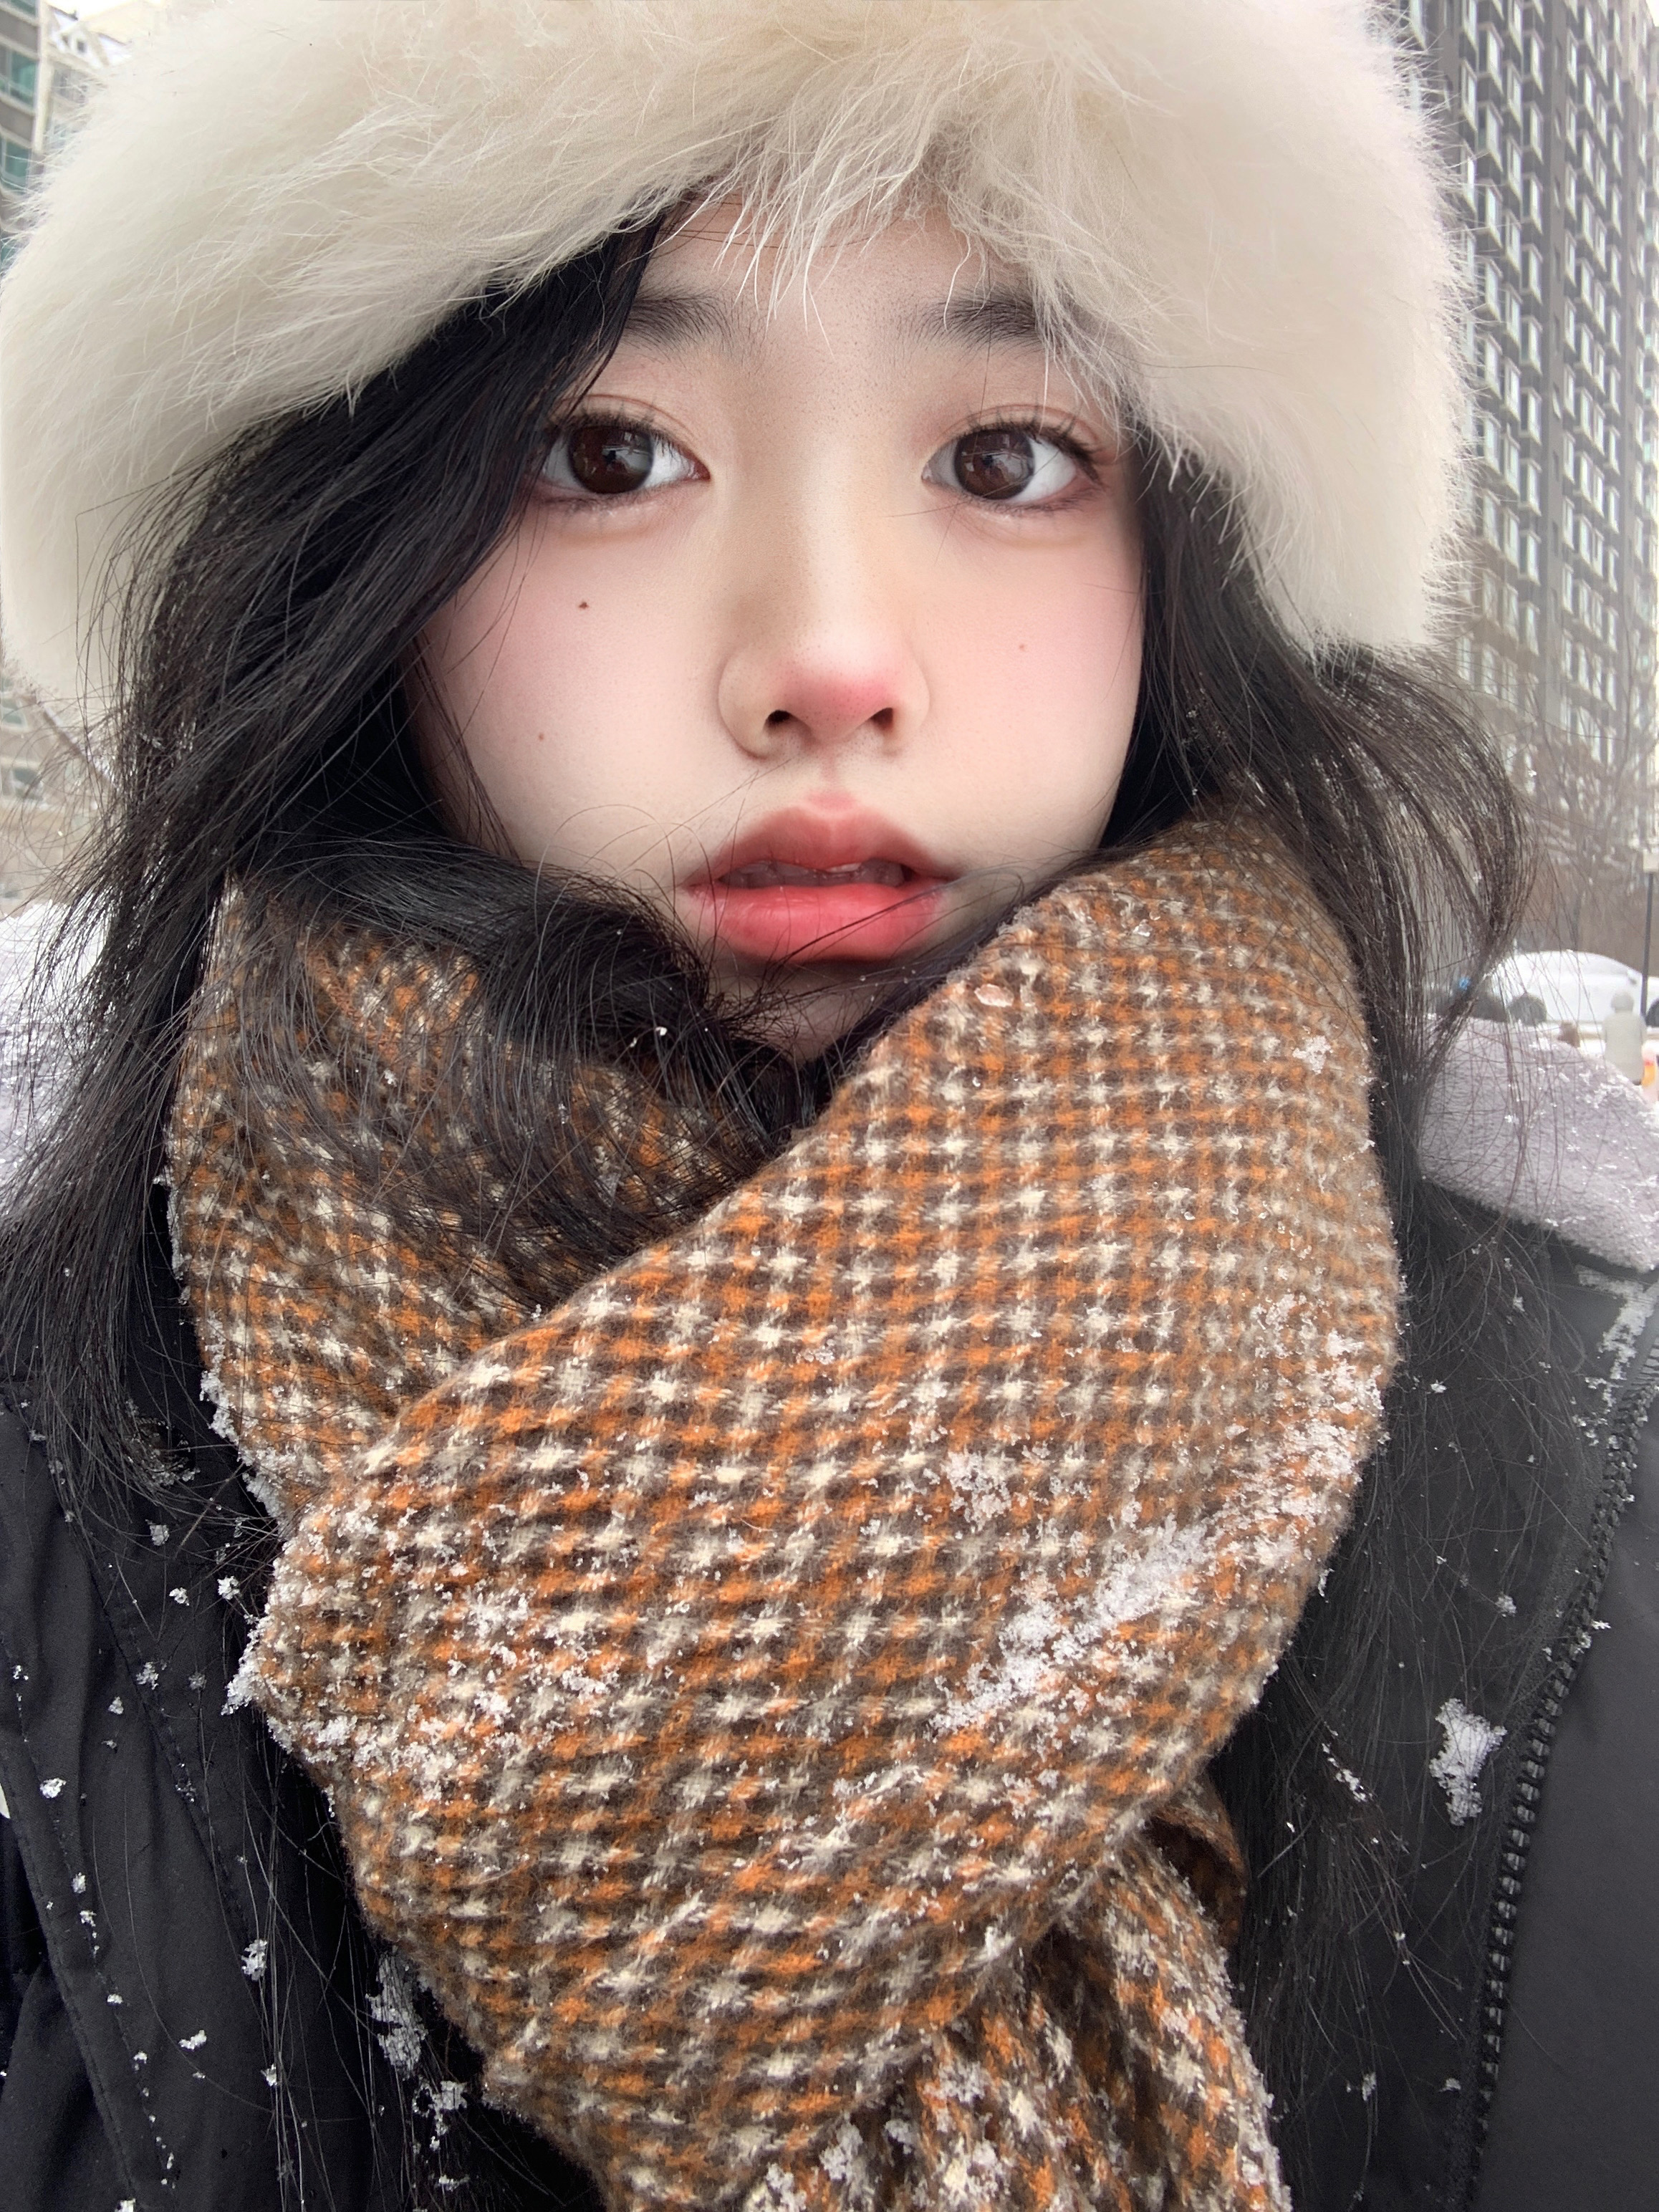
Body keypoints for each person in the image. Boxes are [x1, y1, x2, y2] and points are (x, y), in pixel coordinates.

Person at [0, 5, 1653, 2209]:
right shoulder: (48, 1452)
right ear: (353, 558)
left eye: (1004, 459)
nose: (829, 658)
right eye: (605, 452)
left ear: (1188, 558)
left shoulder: (1589, 1466)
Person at [1602, 989, 1647, 1084]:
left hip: (1612, 1065)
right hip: (1635, 1066)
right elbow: (1644, 1040)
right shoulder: (1638, 1020)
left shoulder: (1608, 1020)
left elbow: (1604, 1038)